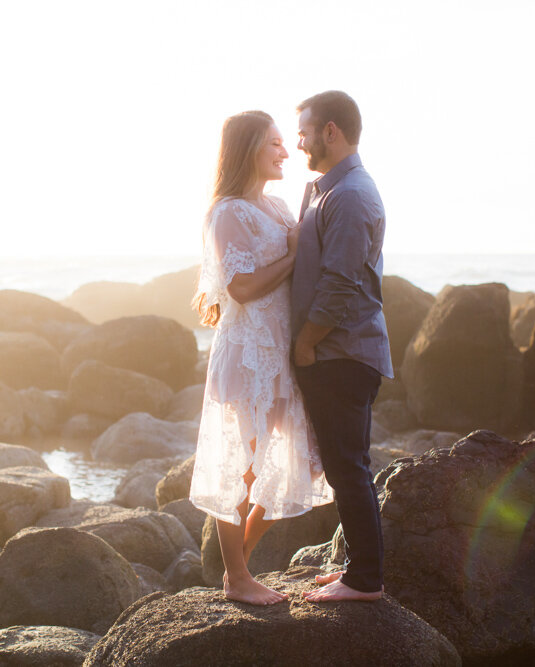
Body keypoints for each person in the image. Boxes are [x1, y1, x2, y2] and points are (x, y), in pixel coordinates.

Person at [190, 110, 334, 606]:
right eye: (274, 143)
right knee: (241, 471)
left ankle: (237, 572)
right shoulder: (227, 213)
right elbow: (243, 288)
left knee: (297, 464)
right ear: (250, 147)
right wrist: (295, 255)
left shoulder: (276, 207)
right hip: (246, 353)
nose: (285, 151)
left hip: (280, 355)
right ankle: (238, 578)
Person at [290, 90, 394, 603]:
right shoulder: (327, 189)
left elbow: (340, 284)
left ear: (331, 131)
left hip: (342, 354)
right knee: (342, 464)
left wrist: (306, 344)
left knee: (348, 466)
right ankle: (357, 569)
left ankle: (365, 581)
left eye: (305, 130)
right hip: (336, 353)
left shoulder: (351, 194)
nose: (299, 140)